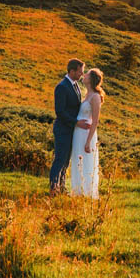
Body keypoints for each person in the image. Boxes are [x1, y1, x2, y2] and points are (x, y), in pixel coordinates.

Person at [50, 59, 84, 193]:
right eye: (79, 72)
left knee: (66, 162)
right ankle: (53, 188)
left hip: (71, 130)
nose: (81, 74)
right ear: (72, 71)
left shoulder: (75, 85)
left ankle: (62, 187)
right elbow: (60, 111)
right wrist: (75, 122)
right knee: (59, 159)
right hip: (63, 129)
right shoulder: (62, 87)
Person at [70, 68, 102, 199]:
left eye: (87, 74)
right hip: (78, 133)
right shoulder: (86, 95)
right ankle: (77, 191)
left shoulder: (95, 97)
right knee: (77, 161)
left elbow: (95, 121)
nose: (84, 75)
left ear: (91, 79)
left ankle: (88, 192)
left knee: (87, 162)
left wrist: (89, 141)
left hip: (86, 135)